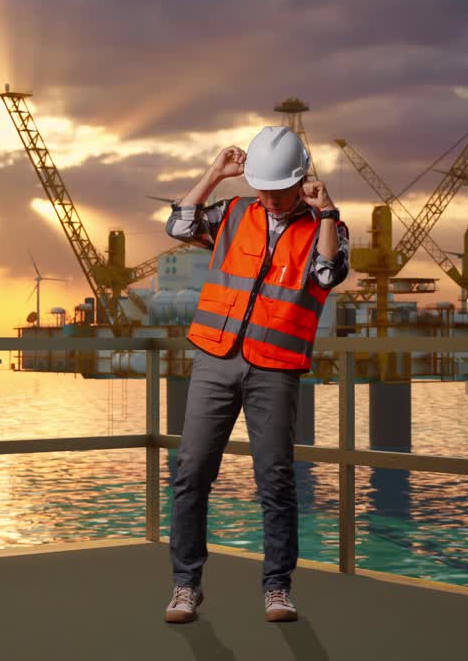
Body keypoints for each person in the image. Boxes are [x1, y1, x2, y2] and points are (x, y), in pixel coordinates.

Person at [162, 126, 350, 623]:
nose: (266, 196)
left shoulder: (324, 227)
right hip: (215, 359)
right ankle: (186, 586)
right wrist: (214, 174)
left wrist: (327, 212)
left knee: (275, 479)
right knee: (191, 473)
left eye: (276, 188)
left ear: (301, 181)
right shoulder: (234, 213)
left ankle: (277, 587)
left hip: (275, 369)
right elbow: (178, 226)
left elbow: (329, 275)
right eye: (259, 185)